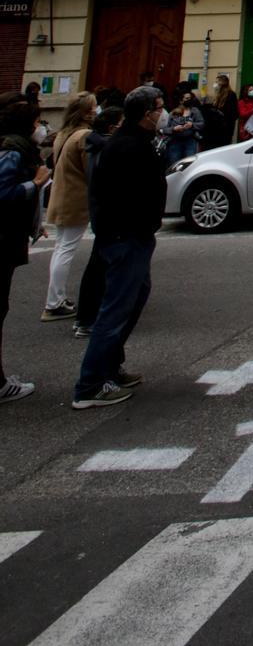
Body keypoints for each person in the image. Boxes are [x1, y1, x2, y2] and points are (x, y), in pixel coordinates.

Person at [72, 84, 166, 410]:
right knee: (114, 310)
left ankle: (110, 367)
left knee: (134, 298)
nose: (161, 113)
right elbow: (126, 195)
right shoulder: (126, 147)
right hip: (125, 237)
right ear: (144, 114)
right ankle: (91, 384)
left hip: (133, 236)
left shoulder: (135, 143)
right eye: (157, 108)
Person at [0, 93, 51, 402]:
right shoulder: (12, 152)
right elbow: (3, 193)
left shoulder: (15, 148)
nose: (40, 127)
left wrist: (34, 222)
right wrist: (36, 182)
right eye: (36, 122)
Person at [42, 91, 97, 322]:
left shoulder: (63, 133)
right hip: (75, 199)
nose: (97, 110)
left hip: (61, 195)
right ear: (85, 112)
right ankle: (54, 303)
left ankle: (55, 298)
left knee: (61, 247)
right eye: (94, 107)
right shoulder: (84, 136)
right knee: (66, 249)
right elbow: (91, 171)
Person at [73, 104, 123, 338]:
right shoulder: (106, 150)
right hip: (109, 216)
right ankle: (89, 319)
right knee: (101, 267)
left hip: (103, 215)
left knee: (99, 265)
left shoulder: (98, 146)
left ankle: (88, 316)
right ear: (113, 128)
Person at [162, 91, 203, 169]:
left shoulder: (195, 111)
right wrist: (174, 129)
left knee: (189, 165)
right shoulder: (173, 112)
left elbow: (201, 124)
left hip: (190, 141)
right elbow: (164, 129)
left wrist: (192, 125)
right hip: (175, 141)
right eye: (187, 98)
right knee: (173, 165)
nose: (189, 100)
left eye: (190, 98)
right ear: (181, 100)